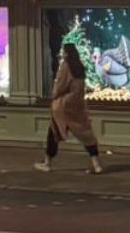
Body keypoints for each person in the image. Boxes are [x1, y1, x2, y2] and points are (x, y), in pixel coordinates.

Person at [33, 42, 101, 175]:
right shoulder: (80, 66)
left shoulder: (65, 66)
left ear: (67, 53)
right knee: (86, 133)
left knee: (53, 133)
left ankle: (47, 163)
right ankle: (97, 164)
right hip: (77, 106)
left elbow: (60, 85)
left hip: (63, 106)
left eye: (63, 51)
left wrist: (54, 96)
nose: (62, 53)